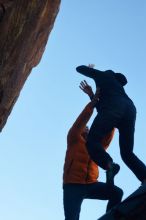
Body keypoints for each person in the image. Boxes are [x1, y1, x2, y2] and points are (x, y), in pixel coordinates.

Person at [76, 64, 146, 185]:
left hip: (114, 107)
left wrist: (91, 70)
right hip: (130, 110)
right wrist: (92, 95)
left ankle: (109, 165)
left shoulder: (103, 75)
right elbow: (103, 109)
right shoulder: (118, 88)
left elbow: (79, 69)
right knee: (127, 153)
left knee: (92, 141)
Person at [63, 83, 123, 220]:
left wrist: (113, 121)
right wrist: (94, 100)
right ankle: (109, 169)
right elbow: (81, 121)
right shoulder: (74, 138)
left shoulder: (95, 145)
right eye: (85, 127)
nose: (87, 127)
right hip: (72, 185)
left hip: (91, 184)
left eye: (88, 127)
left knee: (116, 193)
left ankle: (110, 217)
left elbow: (107, 136)